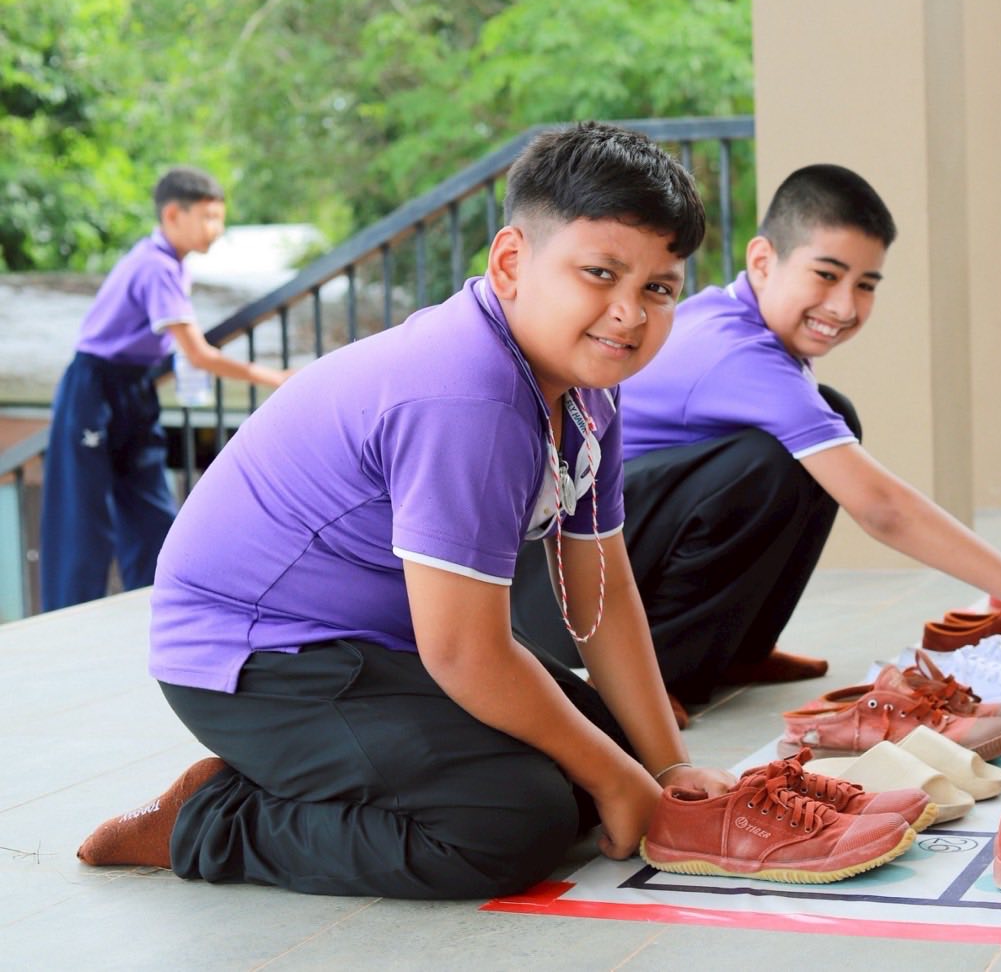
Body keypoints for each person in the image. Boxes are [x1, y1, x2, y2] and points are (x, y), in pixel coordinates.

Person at [75, 124, 732, 900]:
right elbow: (464, 653)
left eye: (658, 288)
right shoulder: (467, 395)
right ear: (512, 262)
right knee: (510, 820)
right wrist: (624, 787)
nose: (629, 313)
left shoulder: (587, 390)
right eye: (599, 274)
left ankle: (333, 765)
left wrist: (663, 770)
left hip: (382, 644)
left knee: (608, 753)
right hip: (252, 657)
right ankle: (213, 815)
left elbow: (602, 590)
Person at [513, 164, 1001, 721]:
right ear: (763, 261)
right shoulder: (737, 355)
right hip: (558, 598)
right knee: (768, 464)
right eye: (826, 274)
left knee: (827, 424)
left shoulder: (748, 334)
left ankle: (735, 652)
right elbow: (883, 509)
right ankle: (645, 680)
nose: (843, 305)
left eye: (866, 284)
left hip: (601, 558)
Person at [40, 166, 289, 611]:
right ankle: (67, 618)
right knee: (83, 519)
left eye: (220, 217)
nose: (218, 228)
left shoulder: (174, 266)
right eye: (209, 217)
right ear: (173, 214)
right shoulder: (154, 266)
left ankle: (156, 611)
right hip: (95, 387)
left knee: (152, 510)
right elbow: (199, 355)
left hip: (135, 387)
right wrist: (278, 378)